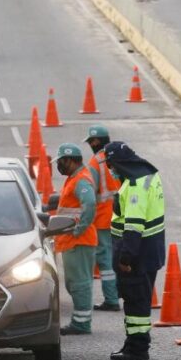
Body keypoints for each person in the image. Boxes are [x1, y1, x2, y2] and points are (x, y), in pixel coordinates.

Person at [104, 141, 166, 360]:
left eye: (110, 165)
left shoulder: (135, 185)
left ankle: (137, 348)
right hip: (151, 249)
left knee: (135, 300)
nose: (109, 169)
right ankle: (134, 343)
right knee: (140, 299)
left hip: (137, 254)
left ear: (118, 163)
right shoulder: (149, 174)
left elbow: (133, 224)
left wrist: (125, 258)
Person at [53, 143, 98, 336]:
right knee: (74, 283)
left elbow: (89, 204)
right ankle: (81, 320)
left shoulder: (81, 180)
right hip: (72, 240)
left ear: (70, 160)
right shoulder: (74, 179)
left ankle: (81, 323)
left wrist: (79, 230)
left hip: (79, 240)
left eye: (61, 161)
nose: (59, 165)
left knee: (79, 283)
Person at [83, 125, 122, 312]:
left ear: (95, 141)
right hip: (123, 215)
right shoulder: (119, 155)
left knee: (106, 261)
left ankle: (112, 299)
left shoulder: (95, 162)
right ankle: (124, 293)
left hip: (103, 217)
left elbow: (90, 191)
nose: (90, 144)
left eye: (91, 141)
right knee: (122, 256)